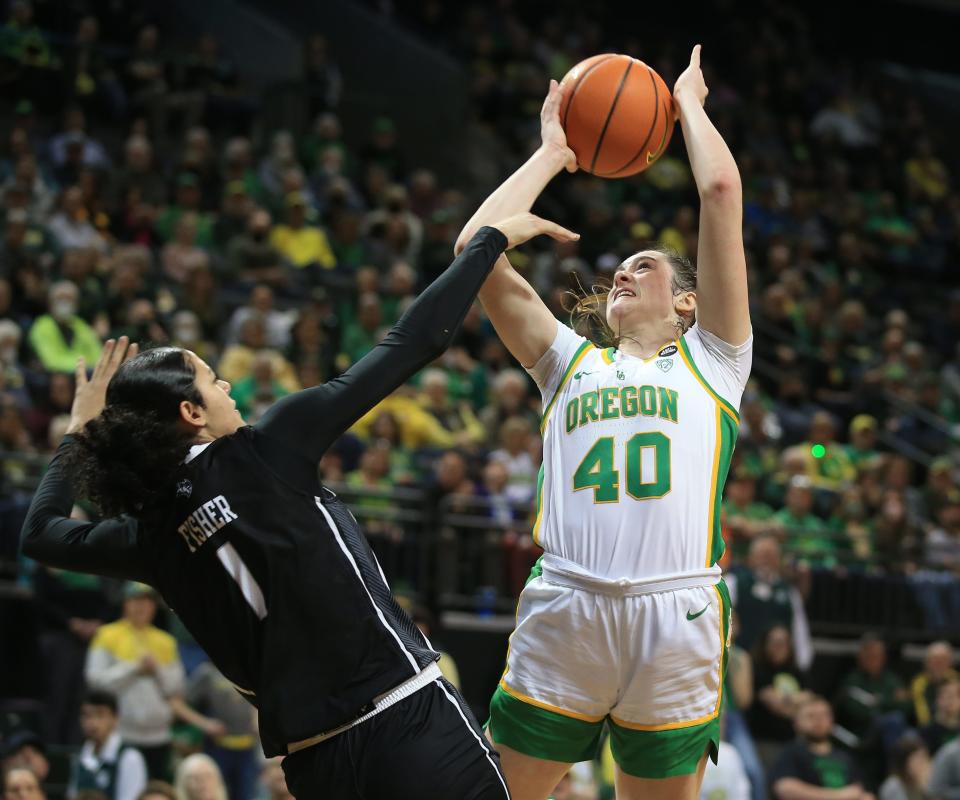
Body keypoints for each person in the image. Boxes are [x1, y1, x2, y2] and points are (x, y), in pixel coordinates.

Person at [21, 215, 576, 800]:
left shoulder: (146, 536)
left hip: (316, 766)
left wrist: (77, 434)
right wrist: (488, 243)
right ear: (191, 413)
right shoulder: (266, 448)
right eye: (213, 380)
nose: (228, 387)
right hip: (405, 723)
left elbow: (40, 534)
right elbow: (415, 340)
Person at [456, 45, 751, 800]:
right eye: (621, 265)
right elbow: (473, 253)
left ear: (688, 303)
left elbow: (718, 188)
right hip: (569, 603)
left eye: (645, 266)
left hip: (675, 609)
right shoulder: (567, 363)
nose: (622, 270)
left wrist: (687, 107)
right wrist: (551, 154)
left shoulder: (714, 362)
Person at [84, 583, 185, 780]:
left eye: (147, 601)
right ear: (125, 603)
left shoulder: (166, 641)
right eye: (136, 600)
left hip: (159, 736)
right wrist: (133, 668)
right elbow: (94, 681)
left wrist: (157, 670)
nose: (142, 606)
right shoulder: (107, 635)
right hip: (122, 733)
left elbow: (177, 687)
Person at [769, 697, 874, 800]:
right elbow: (785, 789)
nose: (818, 720)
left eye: (824, 715)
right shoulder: (791, 753)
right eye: (811, 716)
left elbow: (862, 793)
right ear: (796, 723)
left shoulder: (846, 757)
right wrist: (840, 795)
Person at [68, 690, 148, 800]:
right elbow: (73, 794)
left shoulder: (129, 757)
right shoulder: (80, 756)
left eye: (100, 715)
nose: (92, 723)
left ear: (115, 718)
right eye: (87, 715)